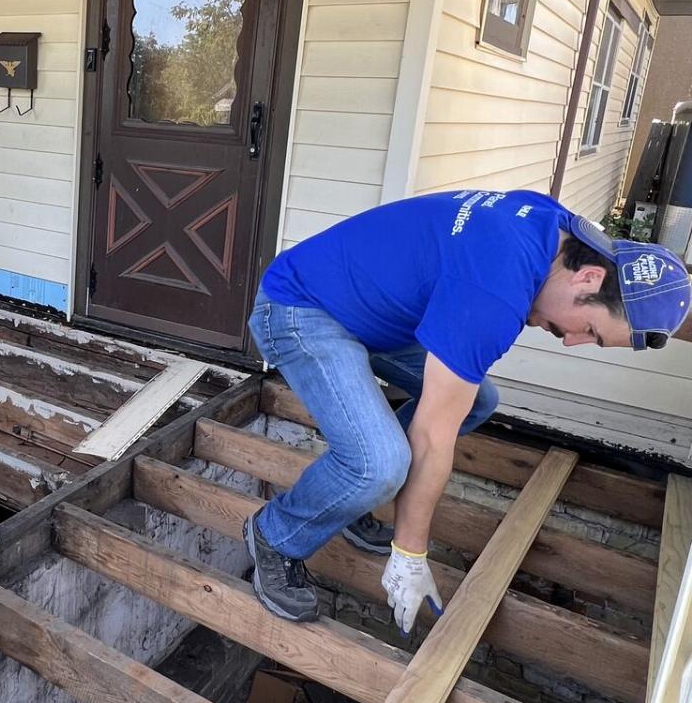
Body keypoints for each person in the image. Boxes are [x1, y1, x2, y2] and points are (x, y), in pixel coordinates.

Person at [246, 188, 690, 629]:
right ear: (589, 278)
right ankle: (276, 535)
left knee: (479, 400)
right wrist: (410, 555)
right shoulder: (495, 293)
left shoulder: (553, 228)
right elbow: (431, 436)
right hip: (300, 306)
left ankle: (348, 497)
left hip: (365, 310)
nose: (572, 340)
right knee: (377, 464)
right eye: (590, 329)